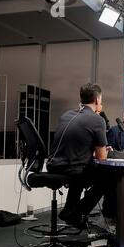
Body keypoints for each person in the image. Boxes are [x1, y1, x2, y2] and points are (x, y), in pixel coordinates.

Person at [47, 83, 108, 227]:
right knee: (108, 177)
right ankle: (78, 211)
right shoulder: (98, 120)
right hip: (72, 170)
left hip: (53, 166)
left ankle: (69, 209)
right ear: (97, 100)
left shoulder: (66, 115)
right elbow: (102, 158)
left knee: (84, 168)